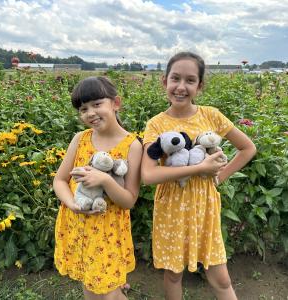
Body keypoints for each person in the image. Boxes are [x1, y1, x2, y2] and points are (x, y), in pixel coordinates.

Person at [141, 51, 256, 300]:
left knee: (221, 276)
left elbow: (247, 148)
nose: (181, 87)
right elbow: (148, 174)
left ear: (200, 86)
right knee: (173, 274)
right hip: (172, 208)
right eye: (175, 78)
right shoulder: (156, 125)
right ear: (164, 81)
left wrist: (219, 177)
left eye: (190, 80)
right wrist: (199, 169)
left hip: (205, 207)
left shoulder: (211, 115)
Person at [53, 76, 142, 299]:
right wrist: (73, 204)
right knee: (90, 285)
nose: (90, 113)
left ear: (115, 103)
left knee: (109, 293)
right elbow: (60, 181)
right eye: (83, 109)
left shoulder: (132, 145)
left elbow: (129, 200)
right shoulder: (80, 139)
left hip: (108, 232)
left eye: (96, 104)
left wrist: (105, 181)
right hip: (79, 225)